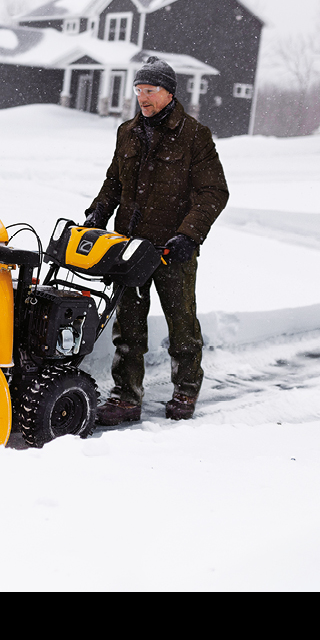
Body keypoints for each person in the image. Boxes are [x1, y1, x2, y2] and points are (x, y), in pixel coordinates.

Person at [82, 57, 228, 422]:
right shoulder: (127, 132)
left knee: (182, 326)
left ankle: (186, 390)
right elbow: (114, 181)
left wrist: (188, 235)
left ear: (169, 93)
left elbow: (213, 192)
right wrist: (97, 213)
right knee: (127, 328)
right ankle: (126, 398)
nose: (142, 98)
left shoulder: (195, 136)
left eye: (150, 91)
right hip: (128, 248)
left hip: (170, 249)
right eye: (138, 90)